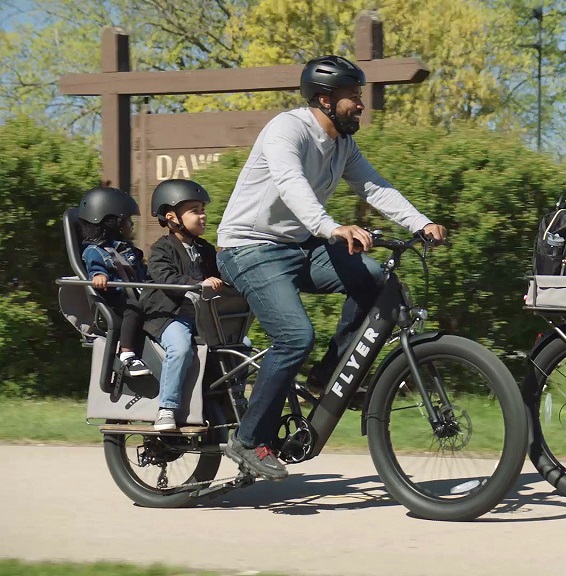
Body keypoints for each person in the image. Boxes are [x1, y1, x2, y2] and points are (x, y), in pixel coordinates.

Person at [216, 55, 448, 480]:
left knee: (376, 279)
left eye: (360, 97)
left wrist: (422, 222)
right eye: (352, 98)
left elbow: (375, 186)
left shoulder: (343, 144)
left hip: (298, 246)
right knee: (294, 336)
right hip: (249, 247)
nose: (360, 105)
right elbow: (291, 184)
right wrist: (330, 227)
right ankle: (248, 441)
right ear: (324, 99)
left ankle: (328, 373)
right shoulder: (287, 129)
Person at [142, 179, 224, 431]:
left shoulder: (205, 249)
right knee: (179, 349)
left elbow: (221, 273)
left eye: (202, 209)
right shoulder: (161, 249)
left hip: (201, 316)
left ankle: (230, 402)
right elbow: (165, 278)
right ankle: (166, 408)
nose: (203, 216)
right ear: (172, 217)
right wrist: (199, 284)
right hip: (170, 315)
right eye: (195, 210)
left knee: (240, 346)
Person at [78, 186, 151, 378]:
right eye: (128, 221)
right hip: (116, 299)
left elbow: (142, 272)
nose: (132, 226)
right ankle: (126, 354)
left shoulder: (126, 250)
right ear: (112, 223)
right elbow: (95, 268)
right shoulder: (95, 251)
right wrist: (98, 276)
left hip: (136, 293)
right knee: (134, 307)